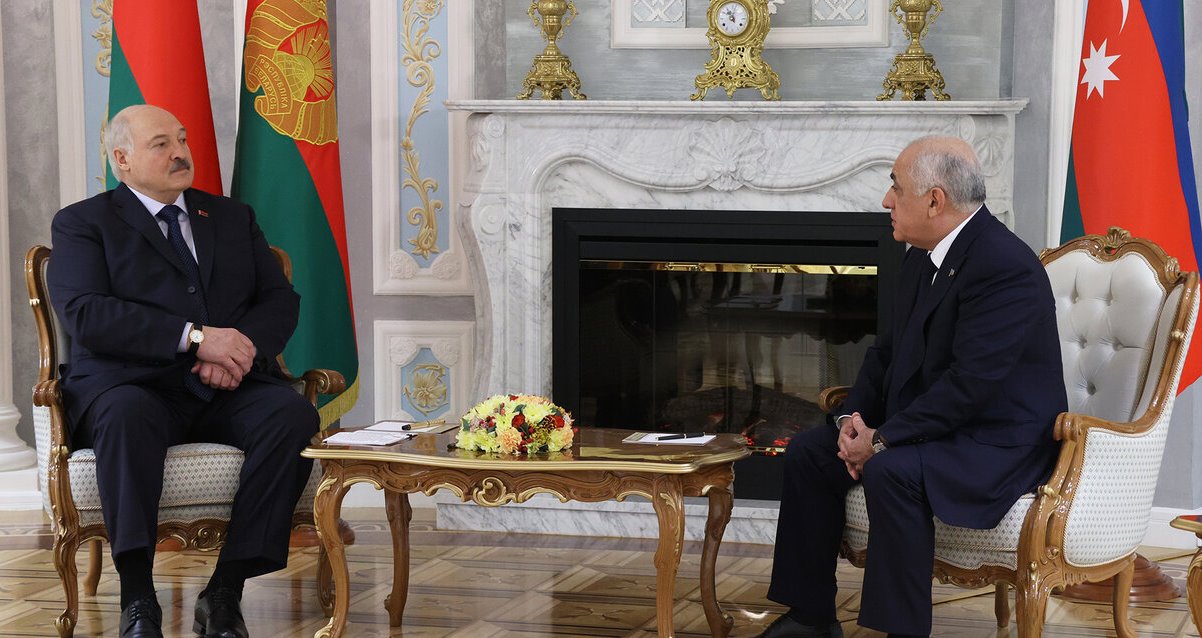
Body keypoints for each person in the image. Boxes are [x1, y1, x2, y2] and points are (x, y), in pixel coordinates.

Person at [756, 136, 1066, 638]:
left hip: (994, 441)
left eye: (896, 188)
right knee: (811, 453)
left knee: (891, 471)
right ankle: (810, 618)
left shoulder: (1004, 266)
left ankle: (901, 631)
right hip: (938, 428)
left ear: (935, 200)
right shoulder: (922, 255)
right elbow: (887, 353)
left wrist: (881, 441)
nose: (886, 201)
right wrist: (851, 422)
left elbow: (970, 387)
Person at [47, 104, 319, 638]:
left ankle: (225, 590)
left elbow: (278, 300)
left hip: (227, 385)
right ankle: (137, 598)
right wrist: (197, 338)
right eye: (161, 144)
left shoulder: (231, 217)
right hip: (133, 385)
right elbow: (86, 313)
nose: (180, 153)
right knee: (125, 415)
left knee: (290, 415)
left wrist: (238, 353)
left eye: (183, 139)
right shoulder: (84, 222)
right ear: (122, 160)